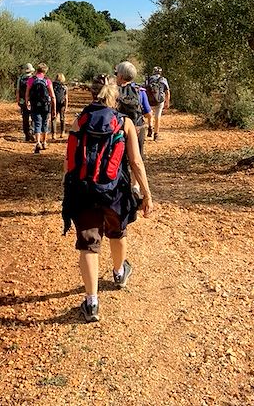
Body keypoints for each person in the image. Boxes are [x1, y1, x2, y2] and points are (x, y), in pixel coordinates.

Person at [62, 74, 153, 323]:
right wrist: (147, 194)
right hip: (115, 191)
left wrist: (69, 190)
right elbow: (135, 161)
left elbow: (69, 161)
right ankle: (119, 272)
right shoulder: (124, 123)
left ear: (92, 93)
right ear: (115, 95)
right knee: (117, 232)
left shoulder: (78, 121)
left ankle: (91, 303)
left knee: (89, 244)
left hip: (83, 190)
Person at [24, 63, 56, 154]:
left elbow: (27, 93)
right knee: (45, 122)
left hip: (35, 105)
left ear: (37, 70)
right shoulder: (47, 80)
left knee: (37, 123)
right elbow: (52, 96)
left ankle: (38, 142)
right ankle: (44, 142)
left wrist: (27, 103)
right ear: (45, 71)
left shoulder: (31, 80)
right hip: (45, 105)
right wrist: (54, 108)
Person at [144, 66, 170, 141]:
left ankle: (150, 127)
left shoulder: (149, 79)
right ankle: (156, 135)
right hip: (160, 101)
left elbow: (144, 88)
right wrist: (167, 102)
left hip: (149, 100)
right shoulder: (163, 79)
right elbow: (167, 91)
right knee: (157, 117)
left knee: (150, 113)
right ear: (160, 72)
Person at [16, 63, 34, 142]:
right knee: (33, 117)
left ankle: (27, 134)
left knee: (25, 118)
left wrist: (18, 100)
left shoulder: (20, 78)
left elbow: (17, 91)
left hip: (23, 101)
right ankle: (32, 132)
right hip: (33, 101)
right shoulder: (34, 78)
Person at [51, 73, 68, 140]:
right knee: (62, 118)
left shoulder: (52, 86)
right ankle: (62, 133)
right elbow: (66, 98)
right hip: (62, 104)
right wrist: (66, 106)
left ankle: (53, 134)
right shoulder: (65, 87)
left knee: (53, 118)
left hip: (54, 103)